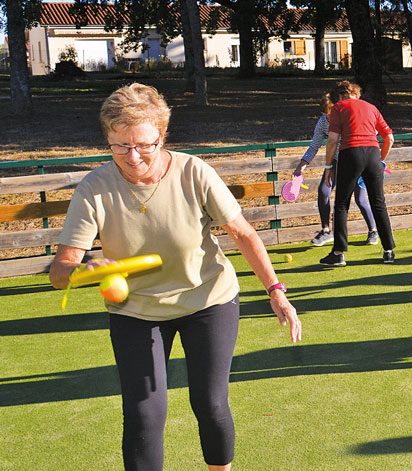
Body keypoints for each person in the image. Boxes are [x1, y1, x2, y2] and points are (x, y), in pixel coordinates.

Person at [48, 83, 302, 471]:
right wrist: (82, 271)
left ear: (162, 135)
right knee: (143, 414)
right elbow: (59, 271)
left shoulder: (193, 171)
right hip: (135, 311)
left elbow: (243, 233)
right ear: (108, 140)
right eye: (120, 146)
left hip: (208, 299)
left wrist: (276, 290)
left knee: (209, 402)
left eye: (144, 145)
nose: (133, 157)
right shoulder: (94, 187)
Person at [319, 80, 396, 267]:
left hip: (351, 154)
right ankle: (389, 252)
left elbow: (332, 140)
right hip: (372, 154)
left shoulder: (339, 107)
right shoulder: (371, 107)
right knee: (379, 203)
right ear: (356, 94)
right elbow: (389, 138)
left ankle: (338, 254)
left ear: (340, 95)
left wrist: (328, 167)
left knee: (342, 204)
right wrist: (381, 160)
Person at [292, 93, 378, 247]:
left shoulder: (348, 116)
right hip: (337, 161)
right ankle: (326, 231)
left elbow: (370, 132)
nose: (329, 116)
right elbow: (315, 145)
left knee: (360, 199)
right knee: (323, 191)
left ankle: (373, 230)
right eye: (326, 113)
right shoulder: (323, 122)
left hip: (356, 158)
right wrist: (301, 165)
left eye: (331, 112)